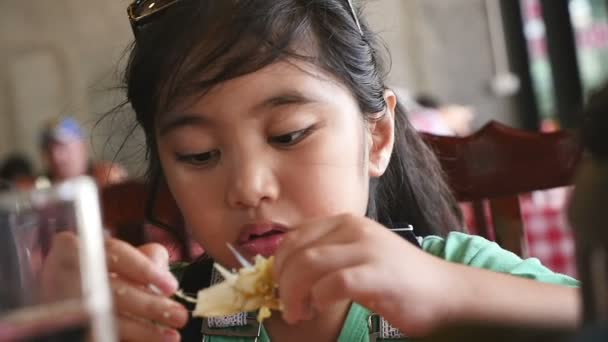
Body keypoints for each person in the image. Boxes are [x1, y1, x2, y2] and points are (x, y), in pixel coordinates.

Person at [44, 1, 580, 341]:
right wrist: (61, 326)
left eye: (289, 135)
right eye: (199, 154)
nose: (249, 187)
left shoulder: (460, 278)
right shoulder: (159, 319)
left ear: (377, 137)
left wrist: (453, 295)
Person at [38, 116, 128, 187]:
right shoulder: (37, 188)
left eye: (63, 147)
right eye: (49, 150)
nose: (56, 157)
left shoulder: (108, 179)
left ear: (83, 147)